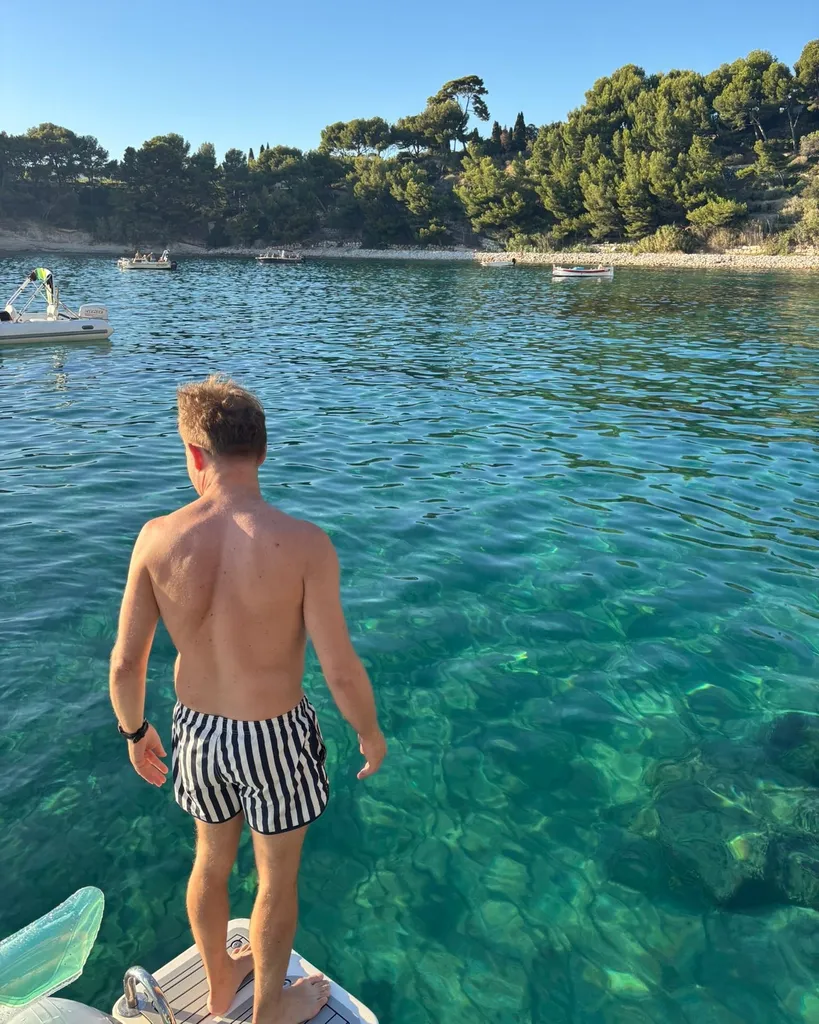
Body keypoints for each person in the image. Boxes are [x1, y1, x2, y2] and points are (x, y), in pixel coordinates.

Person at [109, 375, 386, 1024]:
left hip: (198, 733)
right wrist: (369, 734)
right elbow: (339, 669)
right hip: (273, 735)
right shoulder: (306, 544)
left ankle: (216, 985)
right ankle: (266, 1012)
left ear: (195, 454)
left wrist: (134, 731)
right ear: (261, 452)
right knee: (274, 881)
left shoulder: (156, 538)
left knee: (209, 861)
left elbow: (126, 662)